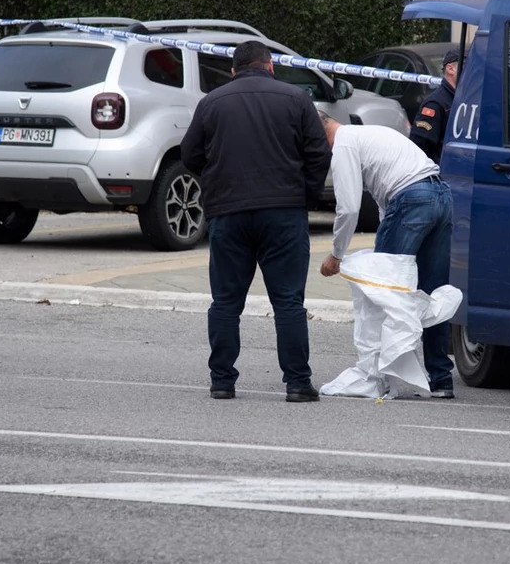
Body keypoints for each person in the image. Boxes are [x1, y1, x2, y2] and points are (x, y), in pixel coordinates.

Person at [180, 40, 332, 403]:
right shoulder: (296, 99)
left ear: (234, 70)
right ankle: (297, 383)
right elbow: (318, 153)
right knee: (288, 302)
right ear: (271, 66)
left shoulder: (212, 102)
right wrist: (305, 197)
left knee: (226, 302)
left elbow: (189, 155)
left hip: (228, 213)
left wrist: (216, 184)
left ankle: (222, 381)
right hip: (283, 214)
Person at [316, 112, 455, 398]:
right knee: (431, 290)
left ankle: (376, 377)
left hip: (411, 200)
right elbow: (385, 202)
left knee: (383, 292)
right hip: (440, 195)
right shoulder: (367, 134)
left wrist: (336, 254)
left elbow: (349, 208)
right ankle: (441, 380)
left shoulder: (343, 145)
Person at [408, 45, 461, 163]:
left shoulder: (462, 99)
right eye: (466, 66)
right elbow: (419, 147)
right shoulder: (435, 104)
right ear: (450, 69)